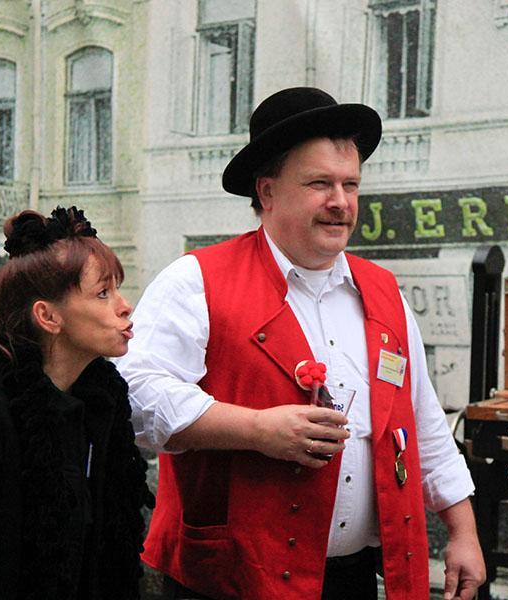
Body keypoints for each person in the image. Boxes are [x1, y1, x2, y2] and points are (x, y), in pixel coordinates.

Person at [116, 87, 485, 600]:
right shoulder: (195, 280)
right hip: (229, 582)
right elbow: (134, 395)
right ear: (267, 192)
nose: (341, 202)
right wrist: (257, 428)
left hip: (353, 579)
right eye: (319, 184)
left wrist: (463, 531)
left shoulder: (383, 292)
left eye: (350, 184)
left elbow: (421, 422)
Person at [0, 206, 154, 600]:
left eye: (117, 289)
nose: (125, 305)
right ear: (47, 316)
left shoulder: (102, 410)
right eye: (103, 292)